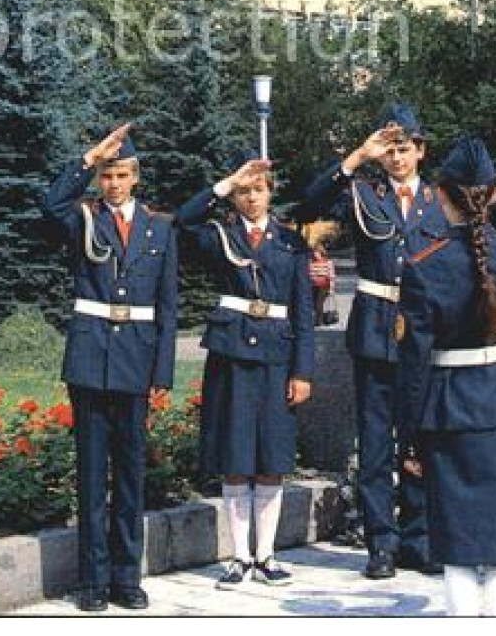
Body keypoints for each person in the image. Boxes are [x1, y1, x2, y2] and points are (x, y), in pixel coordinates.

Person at [296, 104, 496, 579]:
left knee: (421, 437)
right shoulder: (364, 192)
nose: (397, 158)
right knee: (377, 441)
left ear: (422, 151)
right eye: (389, 150)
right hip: (376, 331)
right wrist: (356, 156)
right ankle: (379, 542)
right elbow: (306, 208)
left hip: (427, 336)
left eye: (405, 149)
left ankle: (419, 537)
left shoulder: (439, 198)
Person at [395, 135, 496, 617]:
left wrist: (410, 437)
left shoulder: (423, 269)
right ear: (494, 193)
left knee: (456, 540)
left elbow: (413, 365)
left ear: (441, 197)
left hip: (450, 408)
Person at [41, 123, 179, 612]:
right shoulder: (83, 217)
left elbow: (168, 304)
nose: (114, 183)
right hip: (90, 358)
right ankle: (94, 581)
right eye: (106, 175)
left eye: (121, 174)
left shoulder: (159, 227)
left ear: (135, 177)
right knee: (92, 473)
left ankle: (127, 577)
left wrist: (162, 372)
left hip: (136, 361)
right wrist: (85, 159)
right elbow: (48, 206)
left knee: (130, 474)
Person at [177, 153, 315, 589]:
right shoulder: (220, 234)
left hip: (277, 357)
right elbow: (183, 221)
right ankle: (239, 557)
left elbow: (303, 312)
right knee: (235, 457)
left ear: (270, 192)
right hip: (232, 354)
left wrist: (303, 372)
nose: (251, 197)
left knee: (271, 456)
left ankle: (267, 555)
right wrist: (222, 183)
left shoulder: (291, 242)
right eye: (242, 191)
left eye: (258, 189)